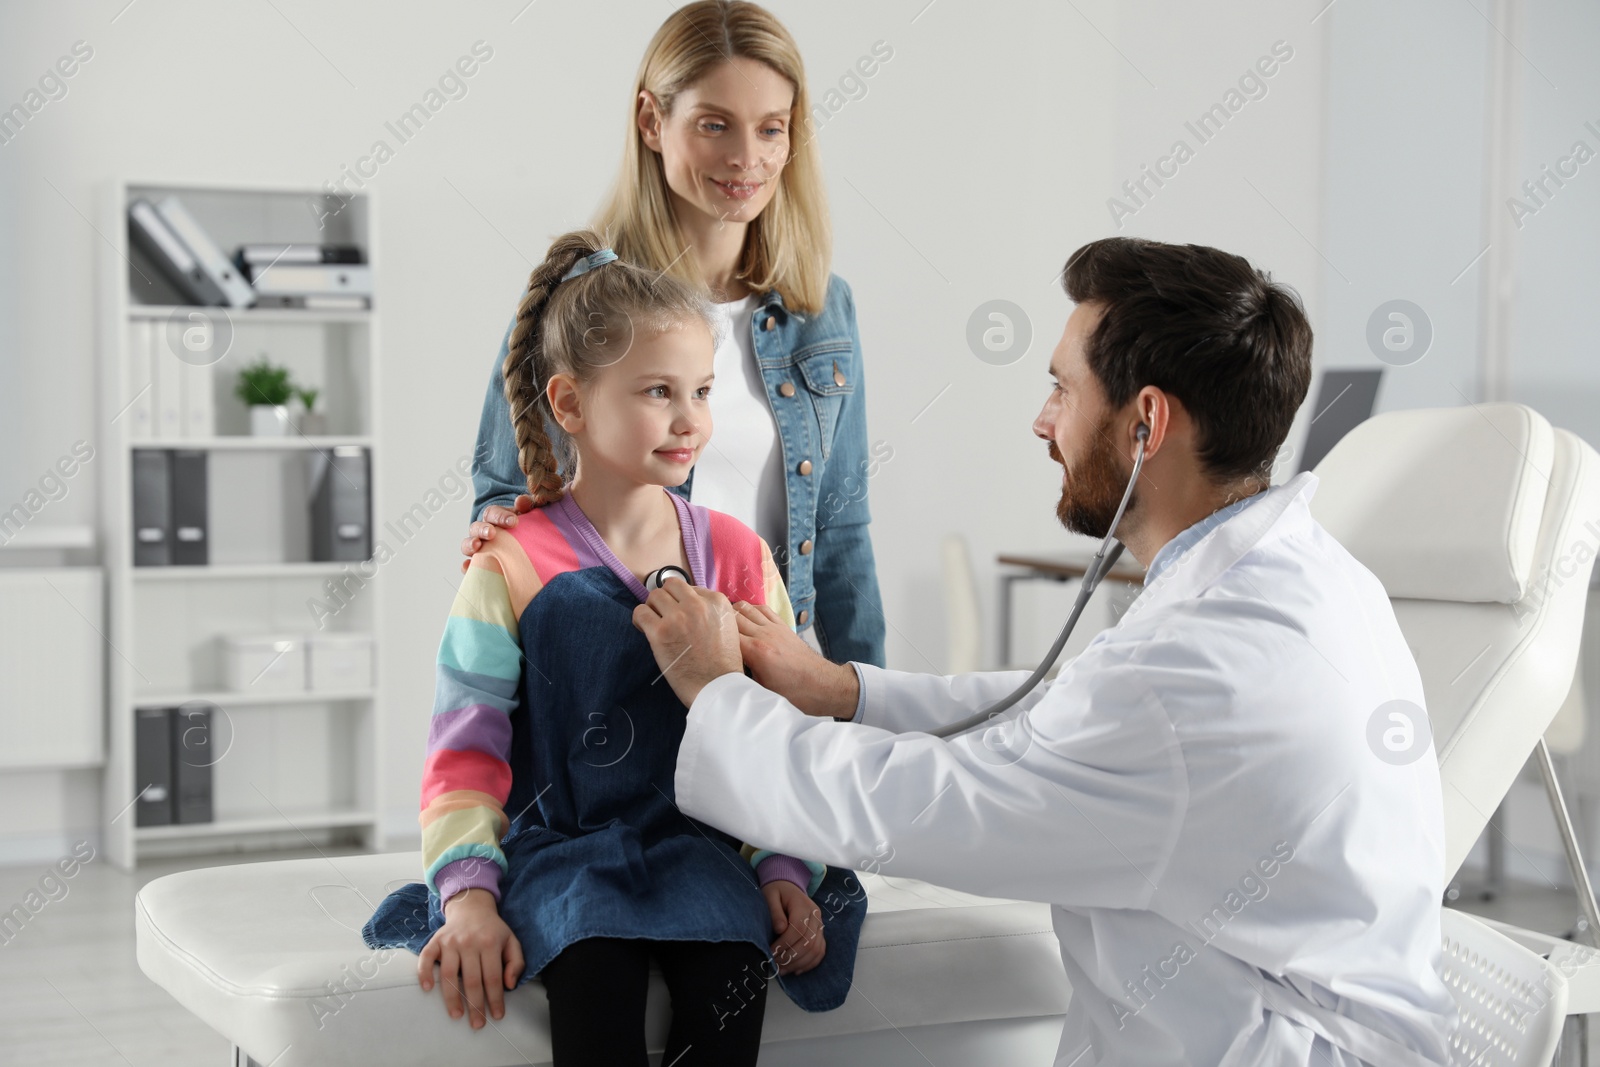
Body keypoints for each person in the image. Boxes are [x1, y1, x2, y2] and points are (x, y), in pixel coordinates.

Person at [632, 237, 1461, 1065]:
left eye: (1062, 389)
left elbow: (917, 807)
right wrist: (843, 688)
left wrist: (716, 693)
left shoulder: (1189, 684)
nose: (1043, 420)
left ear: (1146, 425)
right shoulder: (1305, 577)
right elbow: (1064, 713)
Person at [361, 231, 866, 1067]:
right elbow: (465, 748)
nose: (689, 420)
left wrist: (782, 864)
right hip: (562, 853)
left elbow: (779, 730)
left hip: (703, 846)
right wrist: (469, 897)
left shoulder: (739, 556)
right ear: (569, 404)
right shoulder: (511, 561)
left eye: (702, 391)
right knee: (595, 976)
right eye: (657, 391)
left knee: (730, 978)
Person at [461, 0, 887, 669]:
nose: (747, 157)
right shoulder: (579, 298)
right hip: (621, 677)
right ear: (652, 122)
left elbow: (840, 531)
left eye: (771, 129)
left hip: (774, 680)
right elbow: (503, 496)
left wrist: (868, 705)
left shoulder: (824, 309)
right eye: (714, 124)